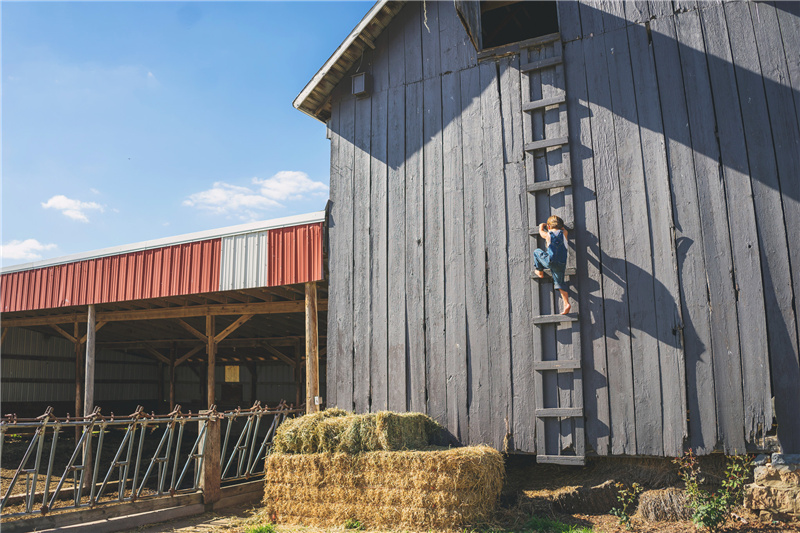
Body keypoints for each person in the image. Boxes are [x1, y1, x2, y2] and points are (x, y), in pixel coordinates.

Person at [533, 215, 571, 315]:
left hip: (550, 261)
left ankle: (539, 271)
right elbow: (562, 229)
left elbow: (541, 233)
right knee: (560, 282)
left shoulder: (548, 235)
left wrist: (541, 226)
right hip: (561, 263)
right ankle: (566, 303)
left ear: (549, 227)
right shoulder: (565, 233)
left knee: (536, 252)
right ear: (562, 226)